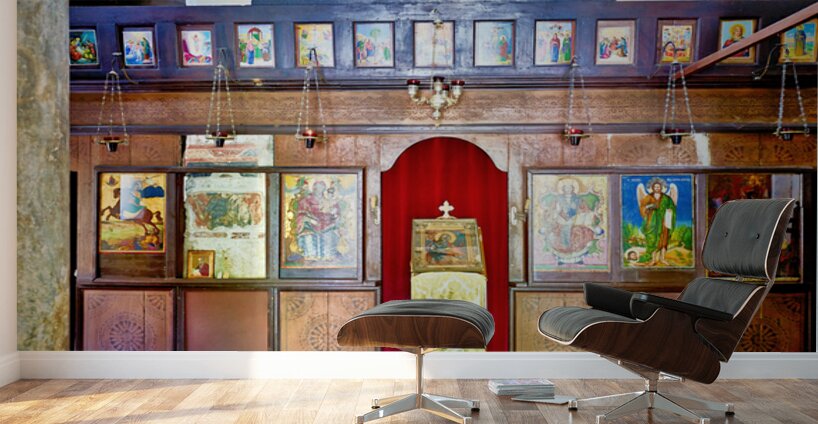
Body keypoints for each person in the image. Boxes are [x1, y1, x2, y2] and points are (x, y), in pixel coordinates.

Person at [639, 179, 676, 266]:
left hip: (664, 223)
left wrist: (670, 210)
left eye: (658, 187)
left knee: (664, 240)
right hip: (653, 223)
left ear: (661, 188)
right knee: (652, 240)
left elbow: (672, 207)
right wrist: (650, 207)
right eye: (655, 187)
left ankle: (662, 258)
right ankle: (653, 259)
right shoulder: (648, 197)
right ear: (652, 188)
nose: (657, 188)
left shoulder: (667, 198)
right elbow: (642, 207)